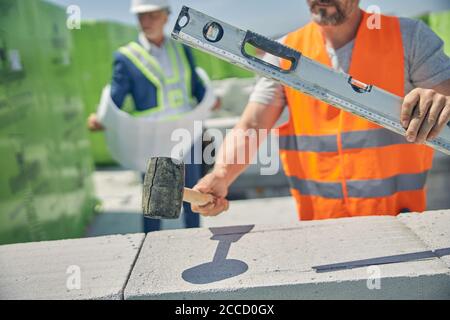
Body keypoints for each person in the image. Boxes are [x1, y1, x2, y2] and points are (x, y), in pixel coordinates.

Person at [191, 0, 450, 220]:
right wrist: (221, 175)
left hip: (399, 223)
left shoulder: (409, 38)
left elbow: (446, 97)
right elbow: (251, 127)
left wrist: (440, 101)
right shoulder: (284, 53)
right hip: (322, 227)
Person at [87, 0, 220, 232]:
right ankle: (151, 245)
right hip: (152, 137)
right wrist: (102, 117)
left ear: (166, 16)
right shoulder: (126, 57)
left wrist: (209, 99)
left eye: (152, 15)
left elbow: (195, 85)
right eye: (141, 16)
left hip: (186, 132)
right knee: (155, 198)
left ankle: (194, 237)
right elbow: (116, 96)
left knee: (193, 193)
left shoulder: (182, 49)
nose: (146, 22)